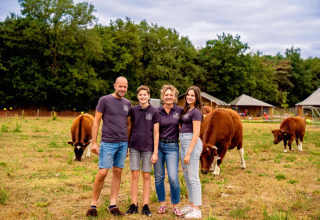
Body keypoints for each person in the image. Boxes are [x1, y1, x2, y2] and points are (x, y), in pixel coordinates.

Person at [86, 76, 132, 217]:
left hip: (122, 143)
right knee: (103, 172)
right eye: (120, 86)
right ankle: (93, 205)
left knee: (117, 172)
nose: (122, 89)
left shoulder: (127, 103)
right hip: (107, 142)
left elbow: (129, 125)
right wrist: (94, 142)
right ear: (114, 86)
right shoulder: (104, 100)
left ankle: (112, 205)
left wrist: (127, 145)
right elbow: (96, 121)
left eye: (125, 87)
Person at [125, 86, 160, 216]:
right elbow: (129, 127)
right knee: (134, 175)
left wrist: (155, 152)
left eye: (145, 94)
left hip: (148, 148)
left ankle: (145, 205)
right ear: (137, 96)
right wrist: (127, 147)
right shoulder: (133, 110)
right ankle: (134, 204)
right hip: (134, 146)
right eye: (140, 95)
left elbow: (156, 133)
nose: (143, 97)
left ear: (149, 96)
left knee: (146, 175)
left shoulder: (154, 112)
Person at [154, 85, 183, 217]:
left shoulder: (180, 111)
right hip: (159, 146)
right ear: (162, 96)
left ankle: (176, 205)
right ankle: (162, 205)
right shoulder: (157, 111)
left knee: (173, 177)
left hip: (172, 147)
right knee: (159, 177)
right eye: (166, 95)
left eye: (171, 95)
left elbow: (185, 127)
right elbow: (153, 131)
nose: (169, 97)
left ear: (175, 97)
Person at [179, 86, 203, 218]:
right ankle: (191, 203)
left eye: (192, 95)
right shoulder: (188, 110)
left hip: (191, 145)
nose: (189, 97)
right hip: (183, 143)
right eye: (188, 95)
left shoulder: (196, 112)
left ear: (197, 97)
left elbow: (196, 134)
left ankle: (197, 209)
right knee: (187, 177)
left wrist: (188, 153)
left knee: (193, 177)